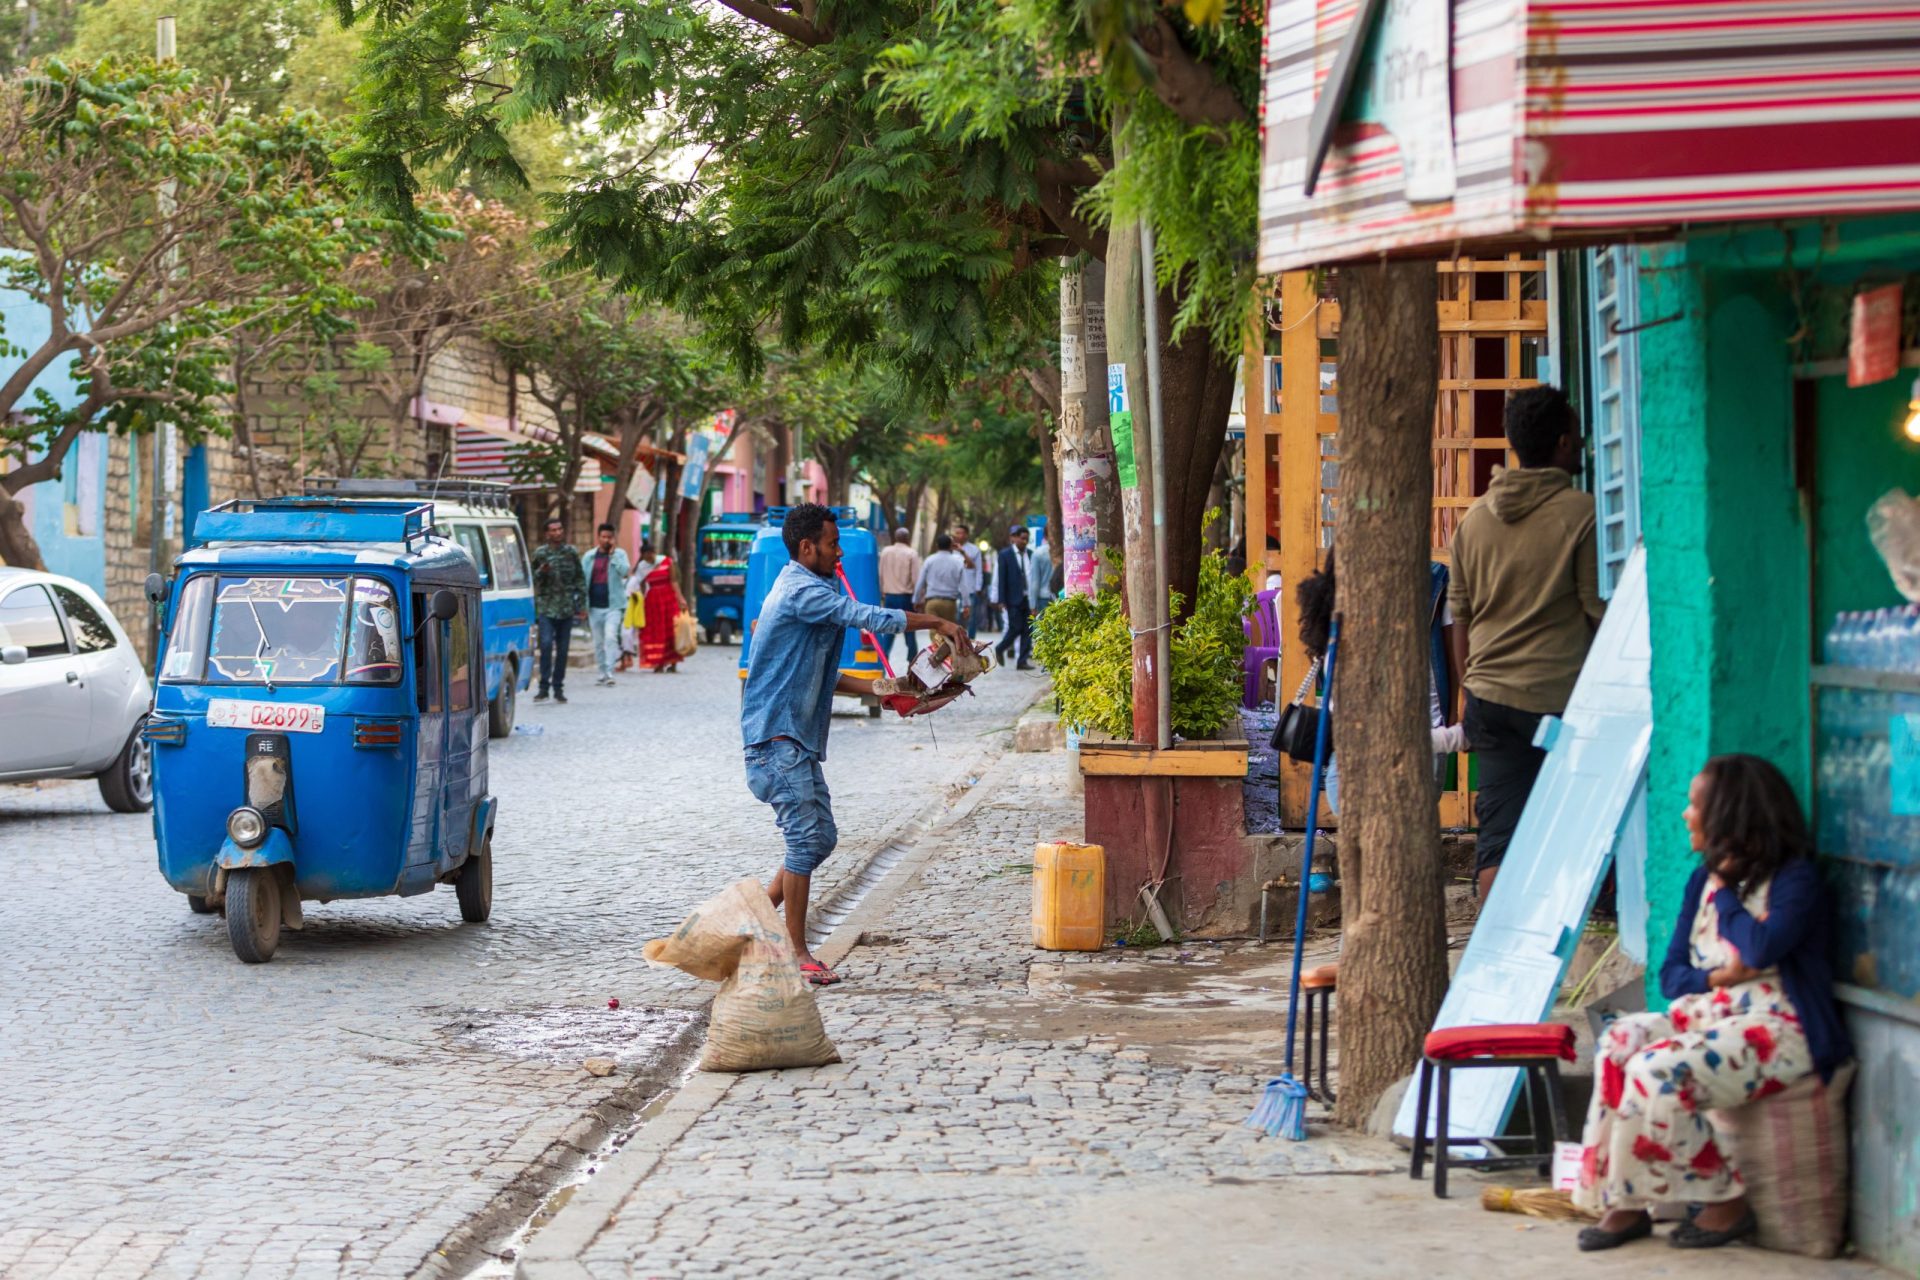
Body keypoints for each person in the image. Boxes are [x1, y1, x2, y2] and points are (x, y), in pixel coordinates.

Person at [1573, 753, 1851, 1252]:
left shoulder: (1794, 880)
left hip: (1783, 1030)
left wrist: (1725, 892)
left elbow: (1764, 948)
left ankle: (1724, 1200)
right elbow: (1674, 975)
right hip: (1711, 1016)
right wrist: (1720, 974)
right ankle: (1626, 1200)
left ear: (1729, 813)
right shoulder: (1699, 881)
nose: (1685, 814)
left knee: (1656, 1069)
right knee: (1619, 1043)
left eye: (1694, 804)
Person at [741, 504, 971, 985]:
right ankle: (796, 951)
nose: (839, 551)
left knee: (821, 838)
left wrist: (881, 690)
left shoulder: (812, 586)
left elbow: (822, 674)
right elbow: (864, 615)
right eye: (831, 544)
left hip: (795, 739)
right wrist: (936, 622)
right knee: (804, 840)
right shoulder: (802, 590)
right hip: (774, 740)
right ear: (807, 548)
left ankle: (753, 921)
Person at [1448, 385, 1604, 897]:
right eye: (1578, 436)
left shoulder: (1474, 520)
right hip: (1556, 704)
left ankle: (1495, 952)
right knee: (1576, 819)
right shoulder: (1580, 513)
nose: (1582, 445)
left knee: (1499, 834)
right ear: (1562, 442)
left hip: (1489, 701)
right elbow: (1594, 609)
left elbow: (1460, 616)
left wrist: (1469, 692)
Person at [1295, 547, 1463, 813]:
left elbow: (1452, 656)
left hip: (1416, 741)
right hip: (1365, 751)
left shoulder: (1437, 584)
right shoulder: (1338, 608)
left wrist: (1452, 711)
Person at [530, 517, 586, 704]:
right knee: (545, 645)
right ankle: (543, 687)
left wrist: (582, 605)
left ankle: (558, 687)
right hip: (546, 608)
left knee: (562, 650)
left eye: (559, 529)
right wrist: (542, 572)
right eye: (552, 530)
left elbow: (579, 579)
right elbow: (532, 579)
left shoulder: (570, 553)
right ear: (547, 533)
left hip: (566, 609)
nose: (557, 533)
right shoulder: (540, 554)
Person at [581, 523, 630, 687]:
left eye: (609, 537)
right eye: (603, 537)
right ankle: (601, 672)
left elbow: (624, 571)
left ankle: (609, 672)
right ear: (598, 537)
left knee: (610, 637)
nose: (606, 540)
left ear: (613, 538)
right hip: (594, 606)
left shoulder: (620, 554)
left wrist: (613, 555)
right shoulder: (589, 556)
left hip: (614, 605)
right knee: (598, 642)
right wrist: (582, 605)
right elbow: (582, 581)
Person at [877, 527, 922, 667]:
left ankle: (882, 660)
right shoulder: (912, 553)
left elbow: (880, 574)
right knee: (909, 631)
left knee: (888, 631)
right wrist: (918, 599)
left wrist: (882, 592)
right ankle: (913, 663)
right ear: (907, 538)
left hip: (889, 597)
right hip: (906, 598)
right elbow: (916, 579)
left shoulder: (885, 552)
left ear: (895, 538)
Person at [993, 525, 1034, 670]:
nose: (1024, 542)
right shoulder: (1005, 555)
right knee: (1015, 628)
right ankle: (1000, 648)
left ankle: (1022, 661)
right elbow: (1001, 578)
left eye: (1026, 539)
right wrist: (1001, 600)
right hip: (1012, 599)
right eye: (1022, 539)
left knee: (1028, 630)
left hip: (1028, 599)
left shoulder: (1030, 553)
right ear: (1014, 538)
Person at [639, 556, 684, 673]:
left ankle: (673, 662)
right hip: (653, 602)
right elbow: (640, 583)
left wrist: (680, 598)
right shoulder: (642, 566)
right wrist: (641, 599)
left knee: (672, 630)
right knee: (656, 632)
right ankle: (659, 662)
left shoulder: (667, 562)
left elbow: (673, 581)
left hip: (669, 599)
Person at [913, 532, 966, 624]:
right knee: (949, 631)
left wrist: (916, 600)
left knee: (934, 631)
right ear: (950, 545)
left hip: (932, 602)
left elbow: (920, 582)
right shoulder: (957, 562)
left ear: (937, 545)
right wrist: (966, 604)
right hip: (950, 603)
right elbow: (964, 585)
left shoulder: (929, 560)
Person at [620, 538, 655, 672]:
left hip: (645, 603)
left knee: (629, 632)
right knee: (626, 632)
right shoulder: (639, 571)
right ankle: (627, 658)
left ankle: (652, 659)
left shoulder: (654, 567)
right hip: (633, 603)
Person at [954, 522, 983, 639]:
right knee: (956, 617)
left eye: (960, 533)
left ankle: (971, 641)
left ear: (966, 535)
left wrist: (978, 587)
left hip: (970, 588)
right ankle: (957, 641)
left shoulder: (974, 550)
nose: (958, 535)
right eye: (956, 533)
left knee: (971, 618)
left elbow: (978, 569)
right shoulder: (951, 549)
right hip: (955, 589)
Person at [1028, 531, 1055, 622]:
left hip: (1043, 597)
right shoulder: (1065, 551)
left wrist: (1032, 605)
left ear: (1045, 536)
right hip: (1060, 596)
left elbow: (1035, 581)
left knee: (1041, 630)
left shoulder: (1038, 553)